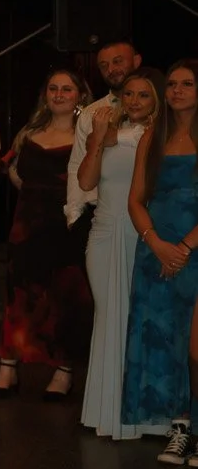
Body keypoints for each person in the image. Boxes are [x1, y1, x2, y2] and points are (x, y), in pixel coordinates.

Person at [0, 69, 94, 398]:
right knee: (18, 295)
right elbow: (12, 171)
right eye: (53, 88)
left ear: (80, 95)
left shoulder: (90, 133)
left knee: (65, 299)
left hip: (66, 227)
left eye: (67, 89)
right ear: (45, 94)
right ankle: (8, 365)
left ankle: (63, 372)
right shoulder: (29, 132)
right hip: (28, 225)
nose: (59, 94)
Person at [78, 68, 162, 439]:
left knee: (138, 319)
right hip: (103, 232)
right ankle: (107, 413)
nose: (134, 101)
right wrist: (97, 138)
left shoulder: (161, 136)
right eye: (128, 94)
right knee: (108, 316)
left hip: (142, 233)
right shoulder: (108, 133)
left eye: (143, 95)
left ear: (155, 99)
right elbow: (85, 181)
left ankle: (143, 415)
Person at [122, 58, 198, 464]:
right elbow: (135, 199)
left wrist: (184, 248)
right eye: (171, 84)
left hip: (193, 249)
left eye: (187, 84)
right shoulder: (154, 134)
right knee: (166, 342)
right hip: (156, 248)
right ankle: (180, 426)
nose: (177, 91)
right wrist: (156, 243)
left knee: (195, 346)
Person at [66, 39, 144, 226]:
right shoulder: (91, 113)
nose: (111, 69)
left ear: (137, 60)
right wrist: (73, 215)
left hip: (148, 212)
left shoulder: (159, 110)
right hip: (100, 214)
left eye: (118, 61)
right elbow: (76, 164)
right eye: (104, 65)